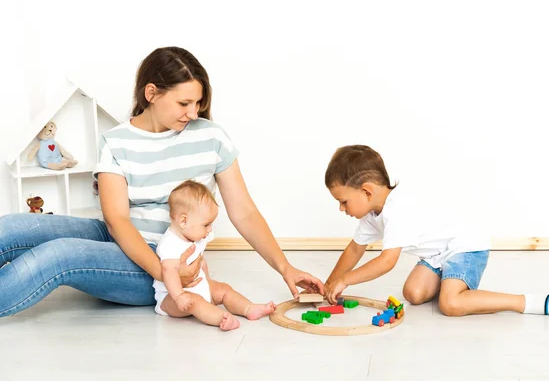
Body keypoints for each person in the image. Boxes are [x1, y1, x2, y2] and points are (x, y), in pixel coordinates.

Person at [0, 46, 323, 318]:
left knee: (61, 255)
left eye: (199, 103)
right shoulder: (117, 141)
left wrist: (285, 267)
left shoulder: (211, 137)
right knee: (12, 228)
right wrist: (167, 274)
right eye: (184, 103)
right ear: (151, 93)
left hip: (163, 261)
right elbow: (116, 219)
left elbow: (245, 212)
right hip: (126, 241)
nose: (193, 113)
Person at [322, 144, 549, 317]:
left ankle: (526, 302)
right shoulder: (371, 213)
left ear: (366, 191)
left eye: (344, 201)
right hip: (438, 254)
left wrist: (345, 281)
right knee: (413, 294)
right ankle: (451, 279)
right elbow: (354, 250)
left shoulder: (398, 209)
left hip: (465, 246)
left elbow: (387, 262)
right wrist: (329, 284)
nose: (341, 208)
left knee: (450, 304)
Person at [154, 180, 275, 331]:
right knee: (195, 301)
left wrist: (208, 283)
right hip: (170, 297)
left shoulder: (195, 235)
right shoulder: (170, 243)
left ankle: (248, 308)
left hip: (198, 285)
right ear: (184, 221)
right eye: (206, 224)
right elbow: (168, 271)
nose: (210, 229)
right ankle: (221, 318)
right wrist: (179, 296)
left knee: (223, 288)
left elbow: (201, 262)